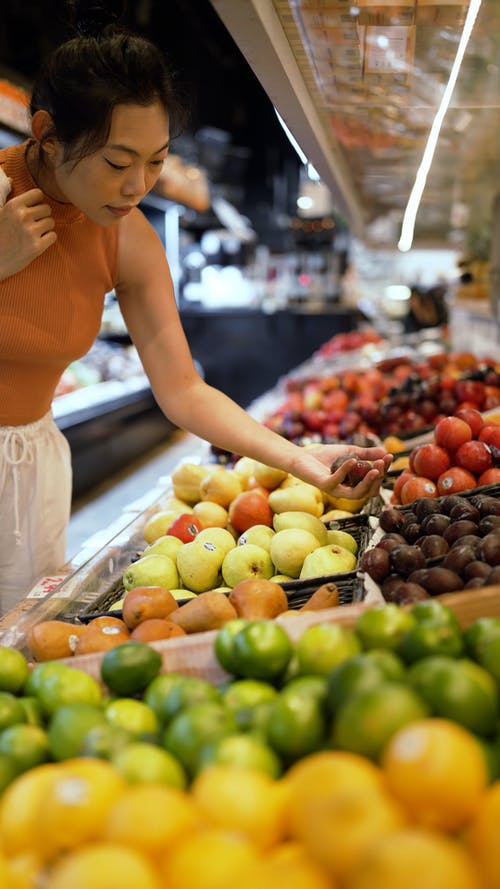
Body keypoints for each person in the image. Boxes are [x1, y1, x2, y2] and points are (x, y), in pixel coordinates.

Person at [0, 0, 391, 614]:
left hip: (35, 469)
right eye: (117, 162)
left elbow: (182, 388)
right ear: (48, 136)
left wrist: (300, 461)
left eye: (155, 161)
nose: (138, 186)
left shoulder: (126, 232)